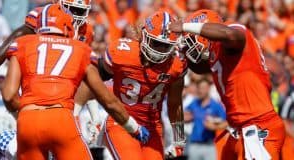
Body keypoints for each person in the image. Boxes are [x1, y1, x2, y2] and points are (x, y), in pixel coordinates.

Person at [1, 5, 149, 160]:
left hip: (27, 122)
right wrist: (133, 127)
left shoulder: (22, 45)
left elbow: (8, 95)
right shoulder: (80, 49)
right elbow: (107, 100)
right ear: (67, 25)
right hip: (61, 118)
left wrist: (28, 112)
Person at [168, 9, 285, 160]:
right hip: (238, 129)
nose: (190, 45)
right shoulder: (218, 52)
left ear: (207, 31)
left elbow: (229, 34)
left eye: (191, 39)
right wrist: (181, 54)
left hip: (259, 125)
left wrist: (185, 26)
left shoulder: (233, 31)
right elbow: (199, 67)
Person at [95, 11, 187, 160]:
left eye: (165, 46)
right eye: (156, 43)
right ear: (143, 35)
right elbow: (93, 78)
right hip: (122, 123)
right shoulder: (122, 53)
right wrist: (88, 111)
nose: (159, 51)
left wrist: (179, 140)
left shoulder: (176, 65)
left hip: (152, 129)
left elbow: (175, 104)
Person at [184, 77, 227, 160]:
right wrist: (186, 118)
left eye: (203, 88)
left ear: (208, 88)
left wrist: (215, 127)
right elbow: (184, 115)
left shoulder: (215, 105)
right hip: (194, 145)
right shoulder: (194, 103)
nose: (201, 90)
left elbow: (226, 122)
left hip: (209, 145)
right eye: (199, 88)